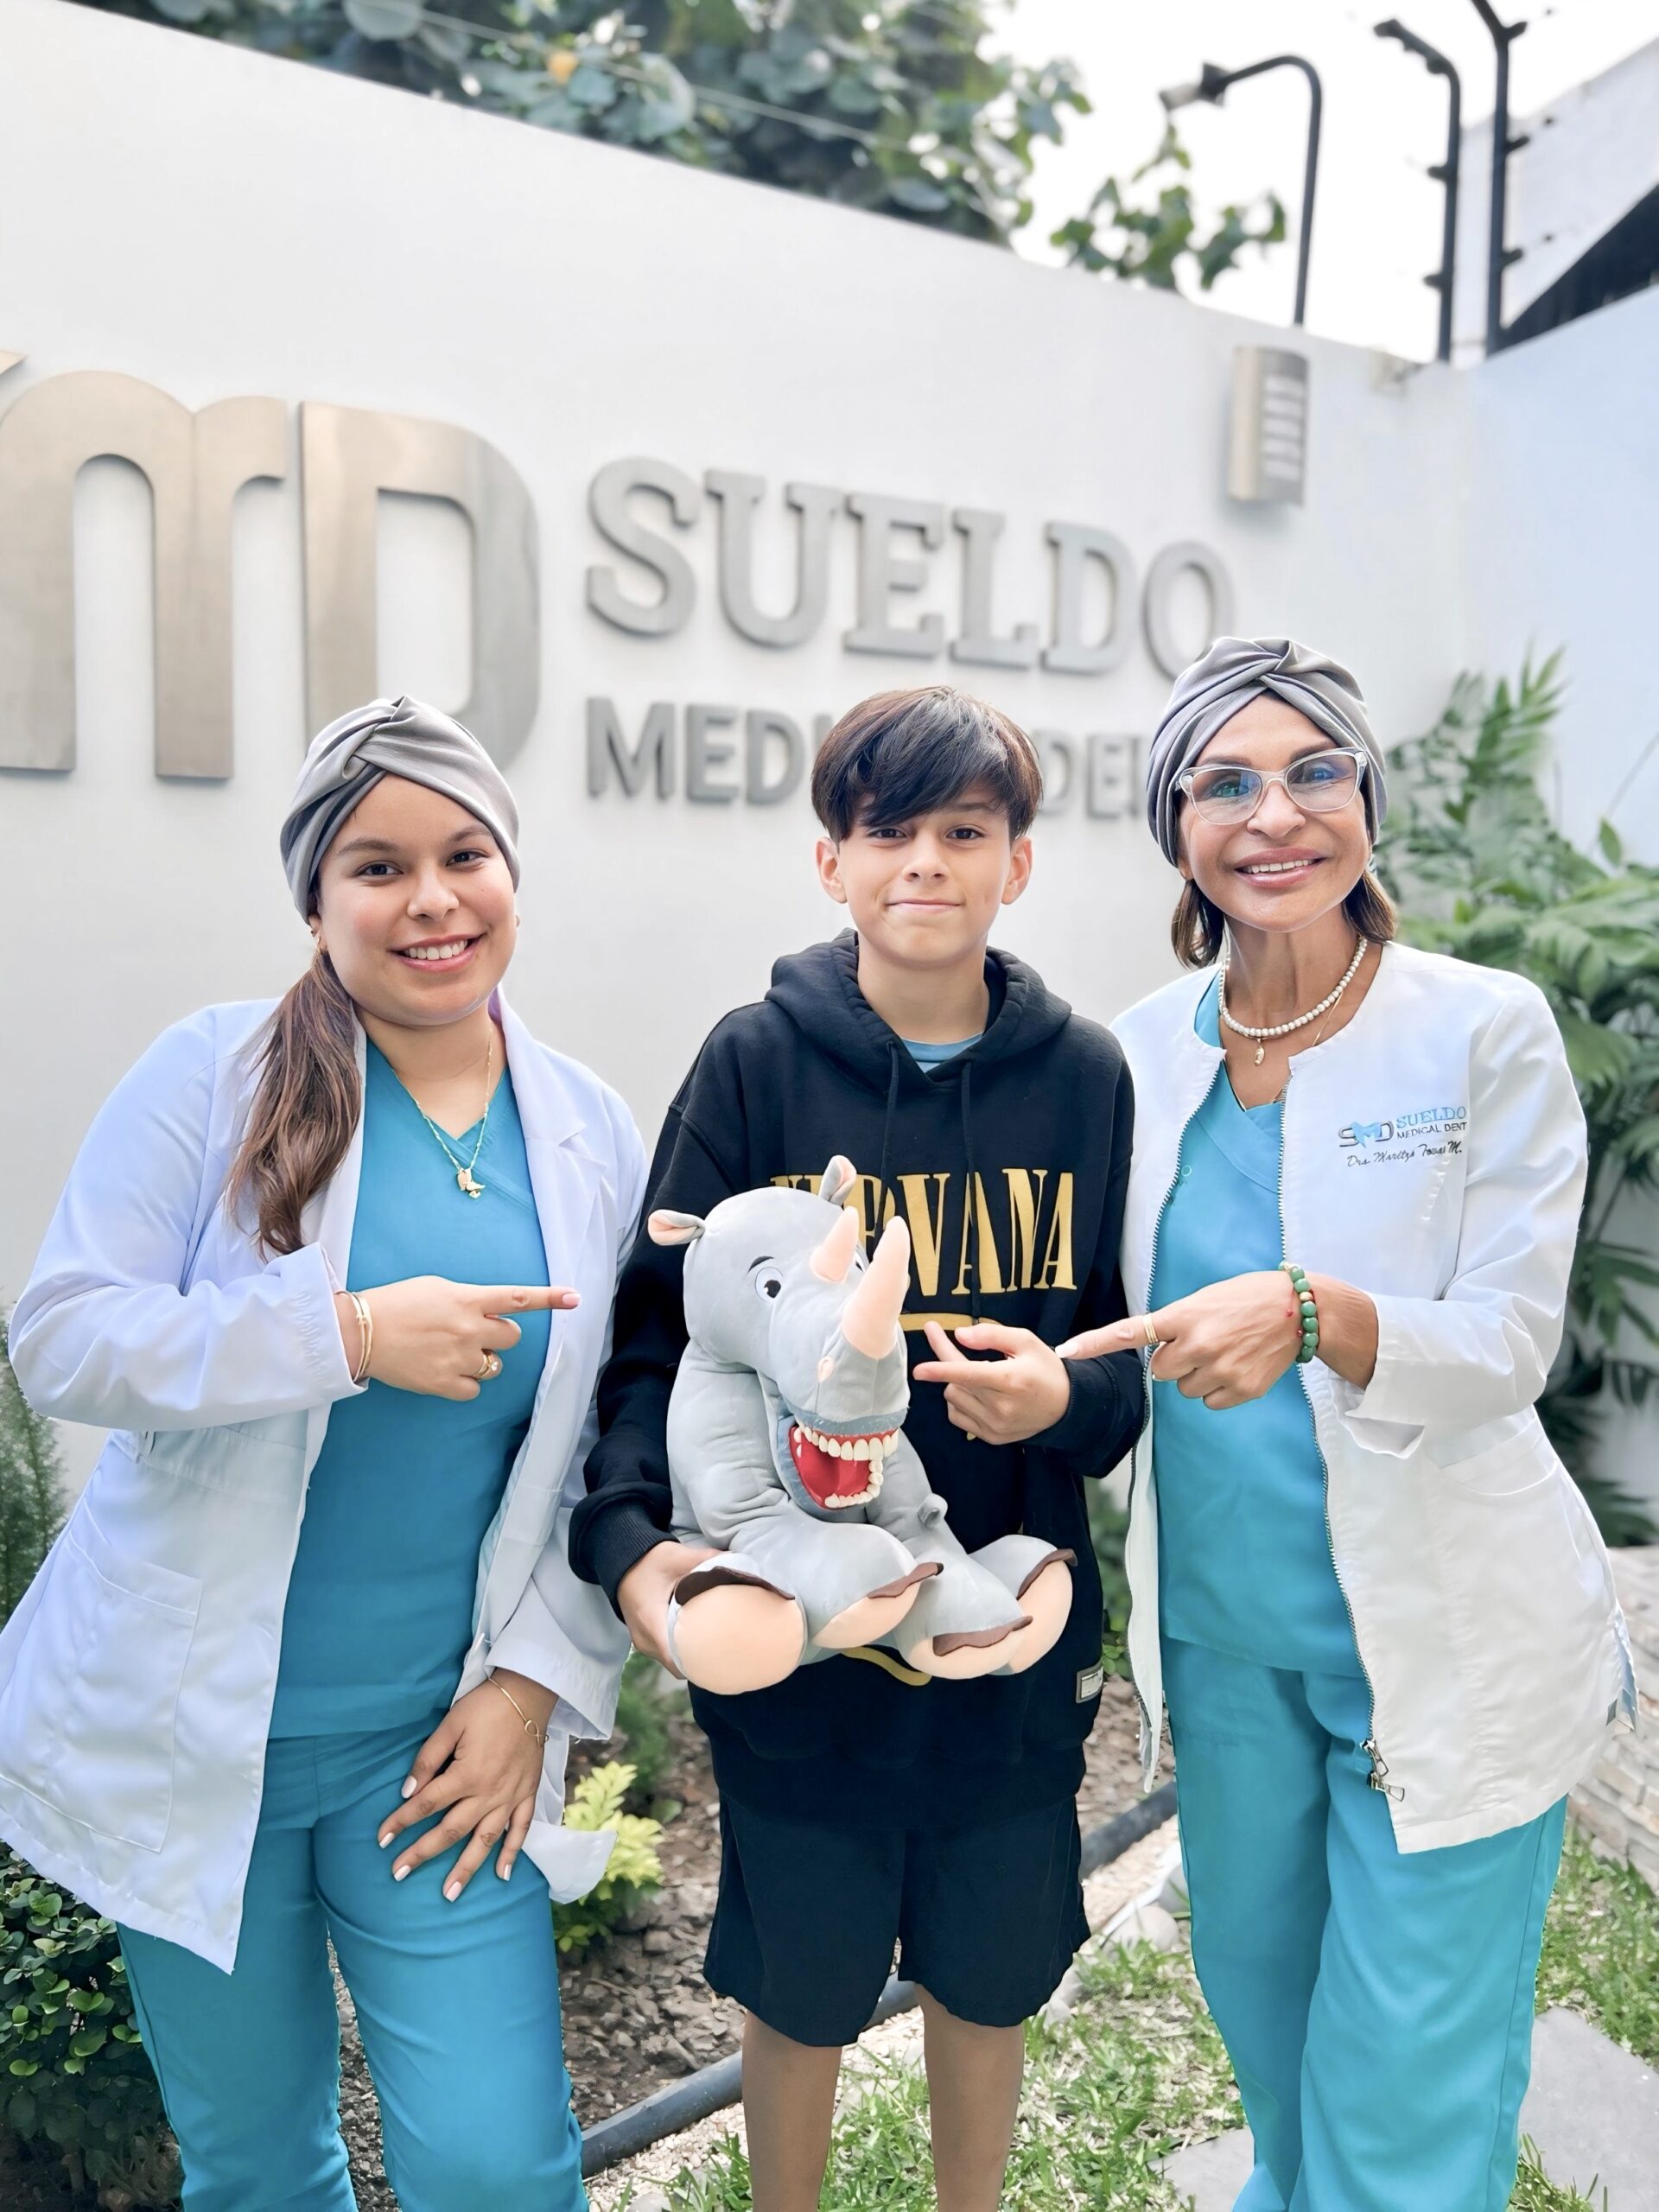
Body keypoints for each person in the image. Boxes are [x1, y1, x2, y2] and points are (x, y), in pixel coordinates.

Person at [2, 697, 645, 2212]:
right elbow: (65, 1338)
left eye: (465, 855)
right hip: (195, 1736)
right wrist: (341, 1333)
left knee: (498, 2167)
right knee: (256, 2170)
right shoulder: (212, 1074)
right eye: (377, 866)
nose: (431, 899)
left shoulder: (590, 1128)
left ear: (511, 875)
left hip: (435, 1748)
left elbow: (613, 1443)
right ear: (315, 902)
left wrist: (532, 1685)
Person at [1059, 637, 1635, 2212]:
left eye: (1315, 771)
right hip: (1230, 1643)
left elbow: (1511, 1339)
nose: (1276, 815)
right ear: (1176, 827)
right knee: (1267, 2021)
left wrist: (1316, 1314)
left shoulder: (1481, 1028)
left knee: (1402, 2095)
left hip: (1442, 1640)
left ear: (1367, 799)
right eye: (1225, 783)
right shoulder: (1135, 1052)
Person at [570, 685, 1144, 2212]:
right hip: (808, 1637)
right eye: (888, 832)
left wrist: (1063, 1406)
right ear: (831, 860)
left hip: (1002, 1629)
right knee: (804, 1990)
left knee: (990, 1980)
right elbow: (660, 1330)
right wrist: (639, 1541)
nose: (926, 864)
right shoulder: (756, 1064)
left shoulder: (1086, 1079)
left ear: (1019, 861)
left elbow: (1117, 1363)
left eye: (965, 831)